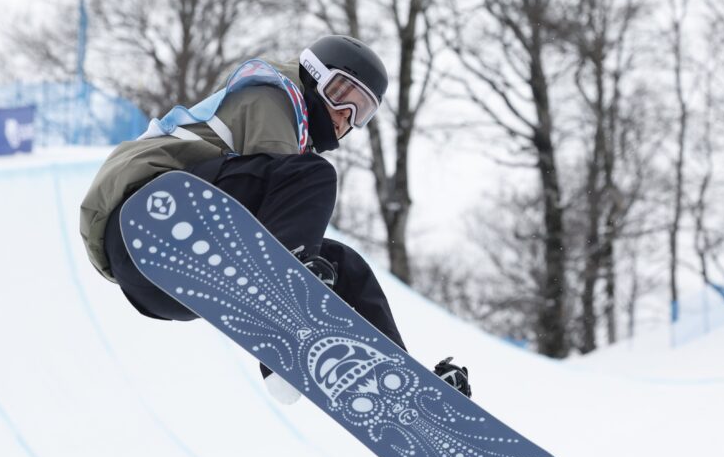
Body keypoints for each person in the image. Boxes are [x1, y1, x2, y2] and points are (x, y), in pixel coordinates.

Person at [80, 35, 471, 404]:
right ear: (314, 75)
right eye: (341, 95)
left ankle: (401, 382)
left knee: (345, 266)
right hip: (148, 214)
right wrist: (284, 346)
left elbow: (270, 234)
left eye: (361, 111)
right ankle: (285, 335)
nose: (345, 116)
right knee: (313, 177)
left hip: (162, 282)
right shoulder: (272, 96)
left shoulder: (293, 140)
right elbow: (270, 231)